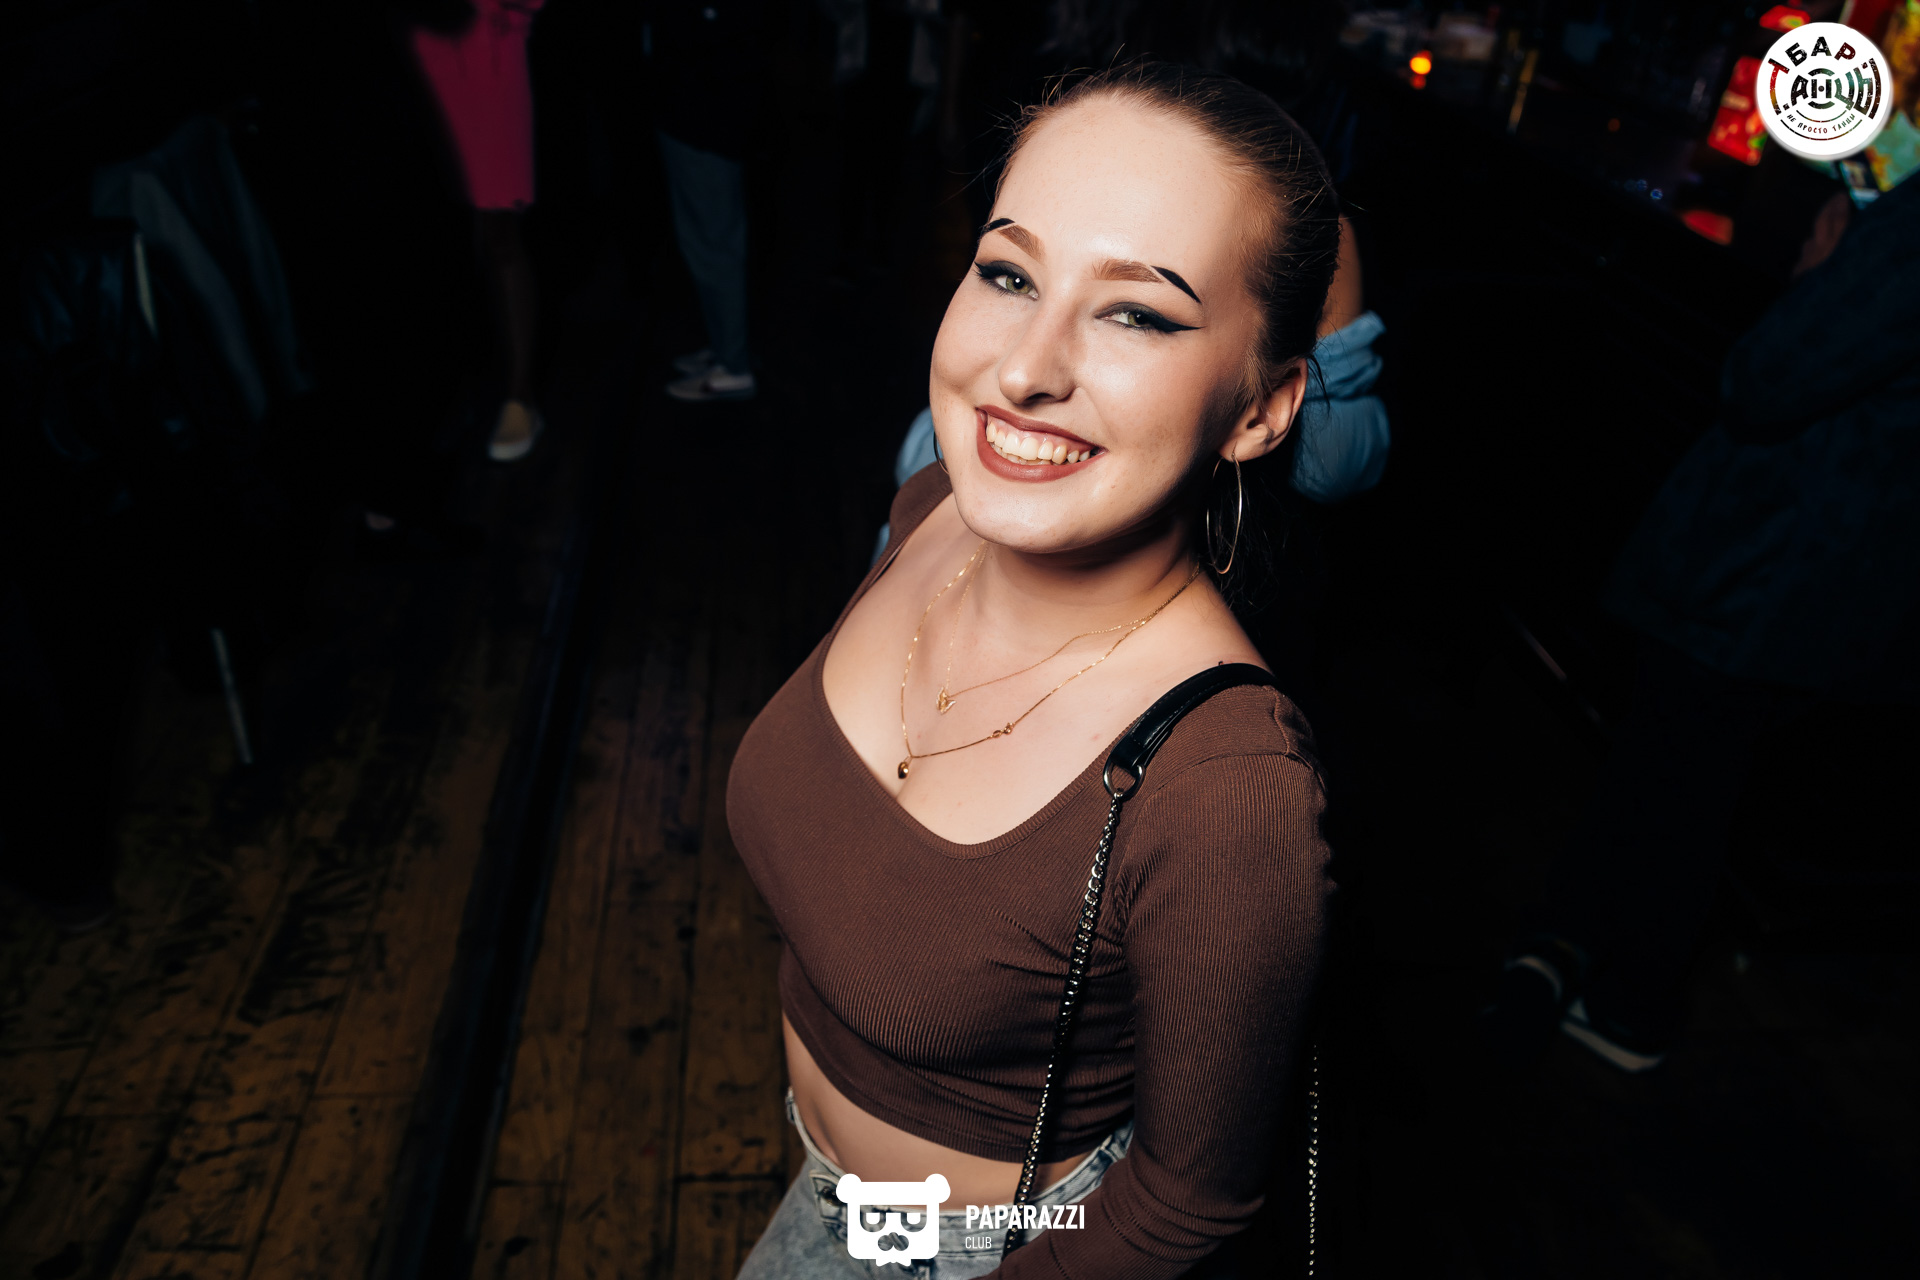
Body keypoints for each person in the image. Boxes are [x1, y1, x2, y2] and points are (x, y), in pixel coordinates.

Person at [728, 63, 1338, 1277]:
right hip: (829, 1187)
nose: (1024, 369)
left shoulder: (1228, 786)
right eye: (1010, 274)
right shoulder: (931, 507)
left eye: (1137, 314)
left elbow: (1185, 1202)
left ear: (1261, 410)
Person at [1484, 169, 1920, 1073]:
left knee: (1683, 779)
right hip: (1827, 571)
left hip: (1775, 567)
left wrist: (1823, 271)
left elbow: (1768, 378)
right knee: (1668, 769)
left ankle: (1627, 1005)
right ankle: (1564, 953)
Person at [411, 0, 546, 460]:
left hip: (489, 48)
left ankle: (520, 397)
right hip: (418, 55)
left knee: (499, 229)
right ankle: (460, 390)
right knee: (436, 231)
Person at [647, 0, 769, 403]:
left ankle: (733, 365)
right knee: (708, 243)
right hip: (699, 114)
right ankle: (724, 349)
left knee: (714, 246)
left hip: (706, 119)